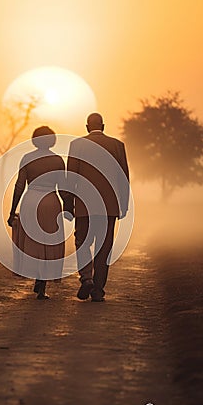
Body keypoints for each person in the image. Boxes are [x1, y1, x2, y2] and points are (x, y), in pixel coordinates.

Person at [65, 113, 130, 302]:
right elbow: (123, 179)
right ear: (103, 125)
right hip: (109, 207)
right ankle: (98, 289)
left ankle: (86, 278)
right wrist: (123, 205)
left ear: (87, 127)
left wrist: (68, 205)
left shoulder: (77, 145)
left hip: (84, 205)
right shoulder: (118, 146)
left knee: (82, 242)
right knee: (104, 247)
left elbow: (71, 177)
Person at [7, 126, 67, 300]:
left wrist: (12, 211)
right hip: (51, 202)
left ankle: (35, 274)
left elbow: (19, 186)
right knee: (48, 243)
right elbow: (63, 188)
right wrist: (69, 207)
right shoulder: (57, 160)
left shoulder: (27, 158)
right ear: (52, 140)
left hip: (31, 200)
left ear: (35, 140)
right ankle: (42, 283)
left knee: (32, 241)